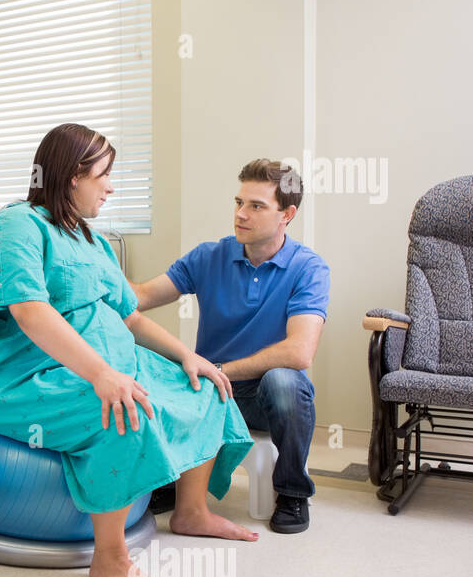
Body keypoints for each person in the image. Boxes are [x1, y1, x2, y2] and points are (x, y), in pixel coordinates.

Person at [0, 123, 257, 577]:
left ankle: (190, 511)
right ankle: (110, 559)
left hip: (110, 363)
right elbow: (29, 310)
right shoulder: (20, 224)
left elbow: (129, 316)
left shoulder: (91, 240)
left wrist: (190, 356)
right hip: (27, 377)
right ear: (72, 176)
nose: (111, 186)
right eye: (103, 175)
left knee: (206, 387)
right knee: (125, 411)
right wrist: (101, 375)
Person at [131, 159, 330, 534]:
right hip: (206, 393)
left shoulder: (308, 268)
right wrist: (94, 269)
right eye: (238, 203)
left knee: (286, 382)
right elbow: (141, 296)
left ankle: (291, 492)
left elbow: (300, 351)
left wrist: (220, 372)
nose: (241, 214)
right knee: (151, 363)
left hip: (258, 399)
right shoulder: (209, 256)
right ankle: (175, 482)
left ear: (287, 214)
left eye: (256, 206)